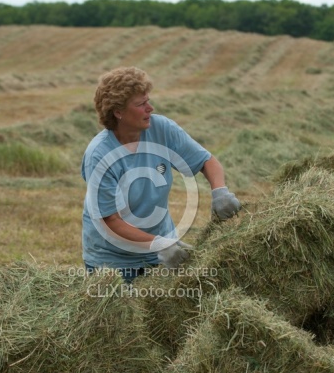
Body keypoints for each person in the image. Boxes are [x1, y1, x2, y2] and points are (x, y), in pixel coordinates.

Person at [81, 66, 240, 280]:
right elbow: (111, 221)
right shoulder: (99, 156)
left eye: (148, 100)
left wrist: (220, 191)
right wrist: (158, 244)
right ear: (118, 112)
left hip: (163, 252)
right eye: (141, 104)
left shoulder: (161, 129)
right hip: (113, 263)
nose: (150, 108)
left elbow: (206, 161)